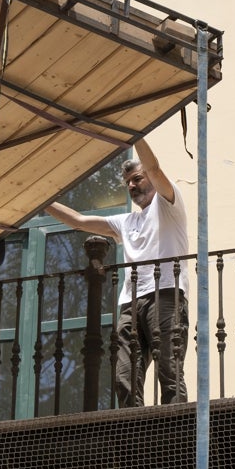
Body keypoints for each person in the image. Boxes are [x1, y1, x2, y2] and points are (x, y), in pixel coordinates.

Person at [44, 138, 189, 406]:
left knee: (169, 369)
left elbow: (155, 169)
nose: (132, 186)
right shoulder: (126, 222)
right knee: (125, 375)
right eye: (128, 184)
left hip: (166, 293)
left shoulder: (169, 204)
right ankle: (133, 433)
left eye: (136, 178)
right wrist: (42, 201)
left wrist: (138, 134)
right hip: (130, 303)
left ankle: (177, 430)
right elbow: (78, 221)